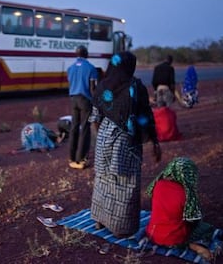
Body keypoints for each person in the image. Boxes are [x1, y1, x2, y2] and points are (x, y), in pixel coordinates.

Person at [90, 51, 162, 238]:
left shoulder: (103, 85)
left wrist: (102, 139)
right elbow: (145, 117)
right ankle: (121, 228)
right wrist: (154, 142)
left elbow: (95, 118)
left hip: (104, 137)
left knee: (103, 179)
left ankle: (100, 220)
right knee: (125, 183)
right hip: (126, 142)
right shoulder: (136, 87)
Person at [146, 157, 218, 261]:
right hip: (174, 239)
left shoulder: (158, 184)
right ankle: (193, 245)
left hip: (152, 235)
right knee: (205, 227)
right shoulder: (186, 194)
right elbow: (193, 219)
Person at [67, 45, 98, 169]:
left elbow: (71, 83)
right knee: (85, 128)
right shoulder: (91, 68)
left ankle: (71, 156)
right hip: (85, 100)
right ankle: (81, 158)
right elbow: (92, 88)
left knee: (74, 127)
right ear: (87, 54)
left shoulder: (70, 68)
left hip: (73, 99)